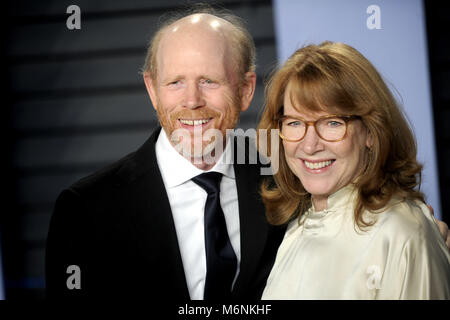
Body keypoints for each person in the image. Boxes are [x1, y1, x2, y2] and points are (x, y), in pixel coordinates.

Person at [46, 5, 450, 301]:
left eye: (209, 81)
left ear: (245, 89)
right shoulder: (86, 211)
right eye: (175, 83)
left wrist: (415, 238)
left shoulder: (289, 177)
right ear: (152, 90)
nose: (191, 101)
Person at [257, 41, 450, 299]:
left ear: (371, 131)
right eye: (294, 123)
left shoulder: (403, 232)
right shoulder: (296, 230)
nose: (310, 144)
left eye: (332, 123)